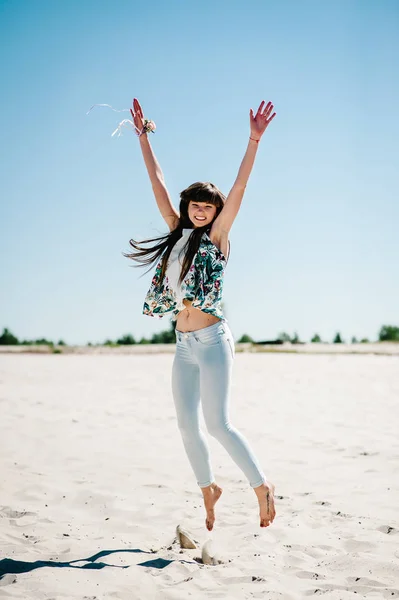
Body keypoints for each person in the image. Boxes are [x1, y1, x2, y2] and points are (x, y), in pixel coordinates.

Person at [124, 97, 276, 531]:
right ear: (188, 205)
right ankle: (208, 488)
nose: (200, 210)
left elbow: (241, 188)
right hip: (183, 345)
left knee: (219, 423)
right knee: (187, 426)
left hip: (212, 341)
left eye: (208, 206)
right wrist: (143, 137)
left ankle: (261, 485)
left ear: (215, 212)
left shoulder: (218, 238)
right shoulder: (176, 235)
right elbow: (157, 182)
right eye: (195, 204)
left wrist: (254, 140)